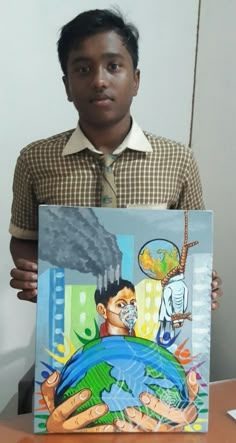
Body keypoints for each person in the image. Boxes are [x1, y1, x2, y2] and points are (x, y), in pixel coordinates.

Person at [9, 9, 222, 307]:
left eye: (113, 66)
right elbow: (24, 237)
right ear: (67, 86)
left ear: (135, 80)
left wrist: (201, 283)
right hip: (69, 326)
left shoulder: (178, 160)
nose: (99, 81)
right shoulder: (36, 160)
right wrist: (32, 272)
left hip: (152, 329)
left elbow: (195, 248)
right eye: (83, 69)